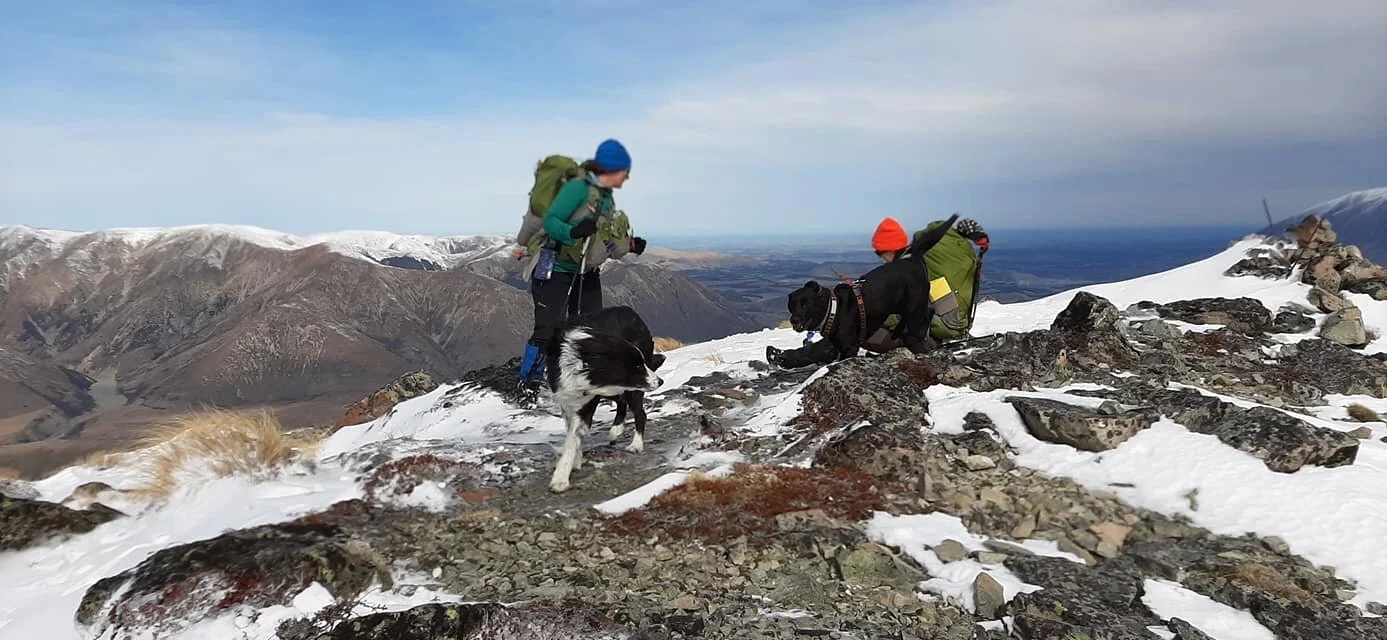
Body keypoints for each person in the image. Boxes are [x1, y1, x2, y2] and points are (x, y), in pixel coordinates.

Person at [765, 215, 986, 369]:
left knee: (849, 328)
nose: (881, 258)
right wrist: (961, 231)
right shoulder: (922, 260)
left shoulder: (930, 282)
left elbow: (946, 323)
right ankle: (804, 355)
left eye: (882, 253)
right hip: (918, 326)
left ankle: (794, 359)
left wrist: (884, 319)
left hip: (932, 338)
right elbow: (936, 231)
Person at [515, 138, 647, 395]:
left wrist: (630, 245)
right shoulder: (578, 189)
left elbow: (605, 239)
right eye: (625, 172)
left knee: (592, 329)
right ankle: (528, 384)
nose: (627, 178)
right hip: (554, 267)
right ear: (611, 169)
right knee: (548, 328)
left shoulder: (606, 198)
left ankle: (583, 382)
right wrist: (573, 231)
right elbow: (552, 222)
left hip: (586, 271)